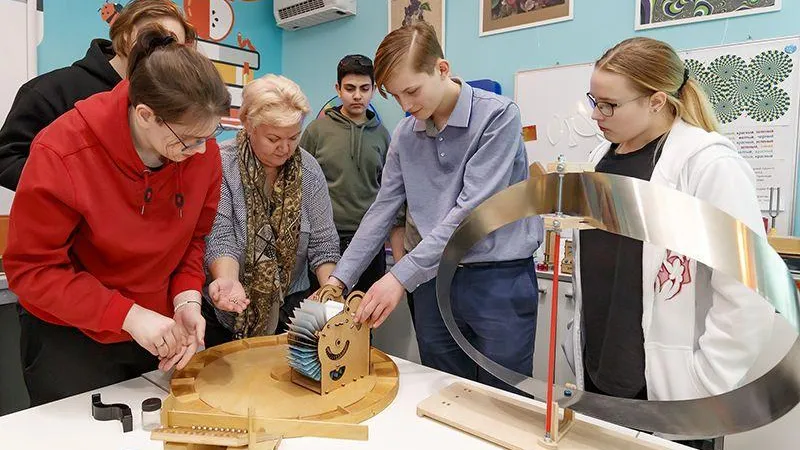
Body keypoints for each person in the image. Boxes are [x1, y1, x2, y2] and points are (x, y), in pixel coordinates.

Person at [4, 25, 231, 406]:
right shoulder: (62, 151)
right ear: (145, 115)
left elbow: (194, 238)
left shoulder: (201, 153)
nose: (198, 151)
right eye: (186, 140)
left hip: (156, 329)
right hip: (71, 337)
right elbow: (32, 270)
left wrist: (187, 299)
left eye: (209, 136)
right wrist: (127, 314)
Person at [569, 37, 774, 450]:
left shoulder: (709, 166)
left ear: (657, 101)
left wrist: (705, 380)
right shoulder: (600, 158)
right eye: (594, 99)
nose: (596, 114)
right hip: (600, 375)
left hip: (671, 389)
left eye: (609, 105)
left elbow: (748, 293)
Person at [325, 21, 543, 391]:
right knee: (443, 391)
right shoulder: (405, 135)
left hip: (496, 280)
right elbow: (382, 209)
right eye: (395, 97)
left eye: (412, 91)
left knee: (503, 401)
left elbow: (471, 212)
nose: (406, 106)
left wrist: (398, 277)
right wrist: (338, 279)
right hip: (432, 281)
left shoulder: (498, 117)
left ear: (442, 69)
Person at [202, 74, 340, 345]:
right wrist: (228, 282)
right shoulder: (221, 165)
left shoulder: (309, 170)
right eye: (273, 138)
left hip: (291, 311)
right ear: (248, 125)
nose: (285, 148)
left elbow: (324, 244)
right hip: (229, 311)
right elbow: (220, 238)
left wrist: (331, 296)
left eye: (293, 137)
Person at [0, 0, 196, 191]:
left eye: (172, 44)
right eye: (153, 36)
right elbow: (6, 159)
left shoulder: (165, 102)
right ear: (126, 34)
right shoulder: (52, 89)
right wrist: (74, 189)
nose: (161, 49)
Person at [300, 54, 404, 294]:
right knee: (323, 318)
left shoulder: (383, 135)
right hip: (324, 242)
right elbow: (299, 183)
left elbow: (391, 191)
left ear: (374, 90)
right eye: (350, 88)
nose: (357, 95)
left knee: (363, 318)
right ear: (338, 89)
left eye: (364, 88)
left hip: (370, 242)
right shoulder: (317, 131)